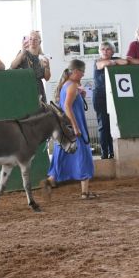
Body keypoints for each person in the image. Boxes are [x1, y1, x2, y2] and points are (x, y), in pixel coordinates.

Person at [46, 59, 96, 199]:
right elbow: (68, 107)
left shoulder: (65, 85)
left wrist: (80, 96)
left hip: (65, 129)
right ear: (75, 71)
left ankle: (49, 182)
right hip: (74, 128)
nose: (83, 74)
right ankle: (85, 192)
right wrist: (75, 127)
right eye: (82, 71)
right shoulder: (72, 85)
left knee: (62, 156)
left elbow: (68, 104)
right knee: (84, 156)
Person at [93, 41, 127, 160]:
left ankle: (113, 152)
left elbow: (125, 62)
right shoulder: (97, 61)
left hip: (113, 97)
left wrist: (113, 61)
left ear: (113, 51)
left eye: (108, 49)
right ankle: (104, 153)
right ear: (99, 51)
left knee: (113, 124)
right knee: (103, 125)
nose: (105, 51)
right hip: (100, 97)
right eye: (102, 49)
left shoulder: (115, 59)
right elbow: (101, 65)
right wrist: (112, 62)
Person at [10, 30, 51, 101]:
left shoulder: (43, 57)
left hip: (38, 90)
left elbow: (47, 78)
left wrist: (47, 67)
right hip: (25, 87)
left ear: (39, 42)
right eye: (31, 39)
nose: (32, 41)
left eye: (35, 39)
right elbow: (12, 66)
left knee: (40, 107)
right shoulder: (23, 54)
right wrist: (22, 52)